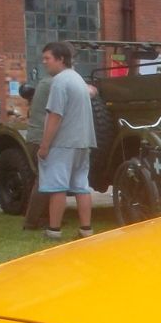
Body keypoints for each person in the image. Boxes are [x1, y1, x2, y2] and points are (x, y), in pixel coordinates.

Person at [37, 41, 96, 240]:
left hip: (63, 142)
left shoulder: (60, 82)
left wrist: (44, 145)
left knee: (57, 187)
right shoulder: (78, 79)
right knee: (81, 185)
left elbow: (55, 115)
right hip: (83, 141)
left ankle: (54, 230)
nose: (44, 62)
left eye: (48, 58)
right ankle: (86, 228)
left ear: (61, 59)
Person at [20, 76, 51, 230]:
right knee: (44, 180)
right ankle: (31, 222)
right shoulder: (50, 83)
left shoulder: (44, 85)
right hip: (40, 139)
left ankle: (44, 218)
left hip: (36, 139)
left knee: (45, 180)